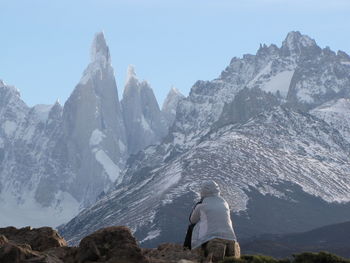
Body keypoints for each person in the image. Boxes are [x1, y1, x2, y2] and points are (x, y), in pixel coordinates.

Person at [190, 180, 240, 262]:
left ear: (203, 191)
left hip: (211, 237)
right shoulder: (225, 203)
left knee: (193, 226)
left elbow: (192, 220)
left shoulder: (201, 206)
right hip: (230, 237)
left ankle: (188, 250)